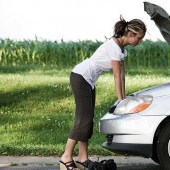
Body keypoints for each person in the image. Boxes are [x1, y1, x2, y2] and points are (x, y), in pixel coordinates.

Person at [59, 16, 147, 170]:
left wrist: (123, 98)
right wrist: (120, 99)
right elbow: (116, 76)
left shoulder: (121, 49)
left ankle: (82, 158)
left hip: (88, 80)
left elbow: (122, 75)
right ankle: (66, 157)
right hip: (81, 77)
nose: (139, 42)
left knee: (87, 119)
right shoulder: (114, 47)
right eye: (139, 38)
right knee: (83, 119)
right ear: (131, 34)